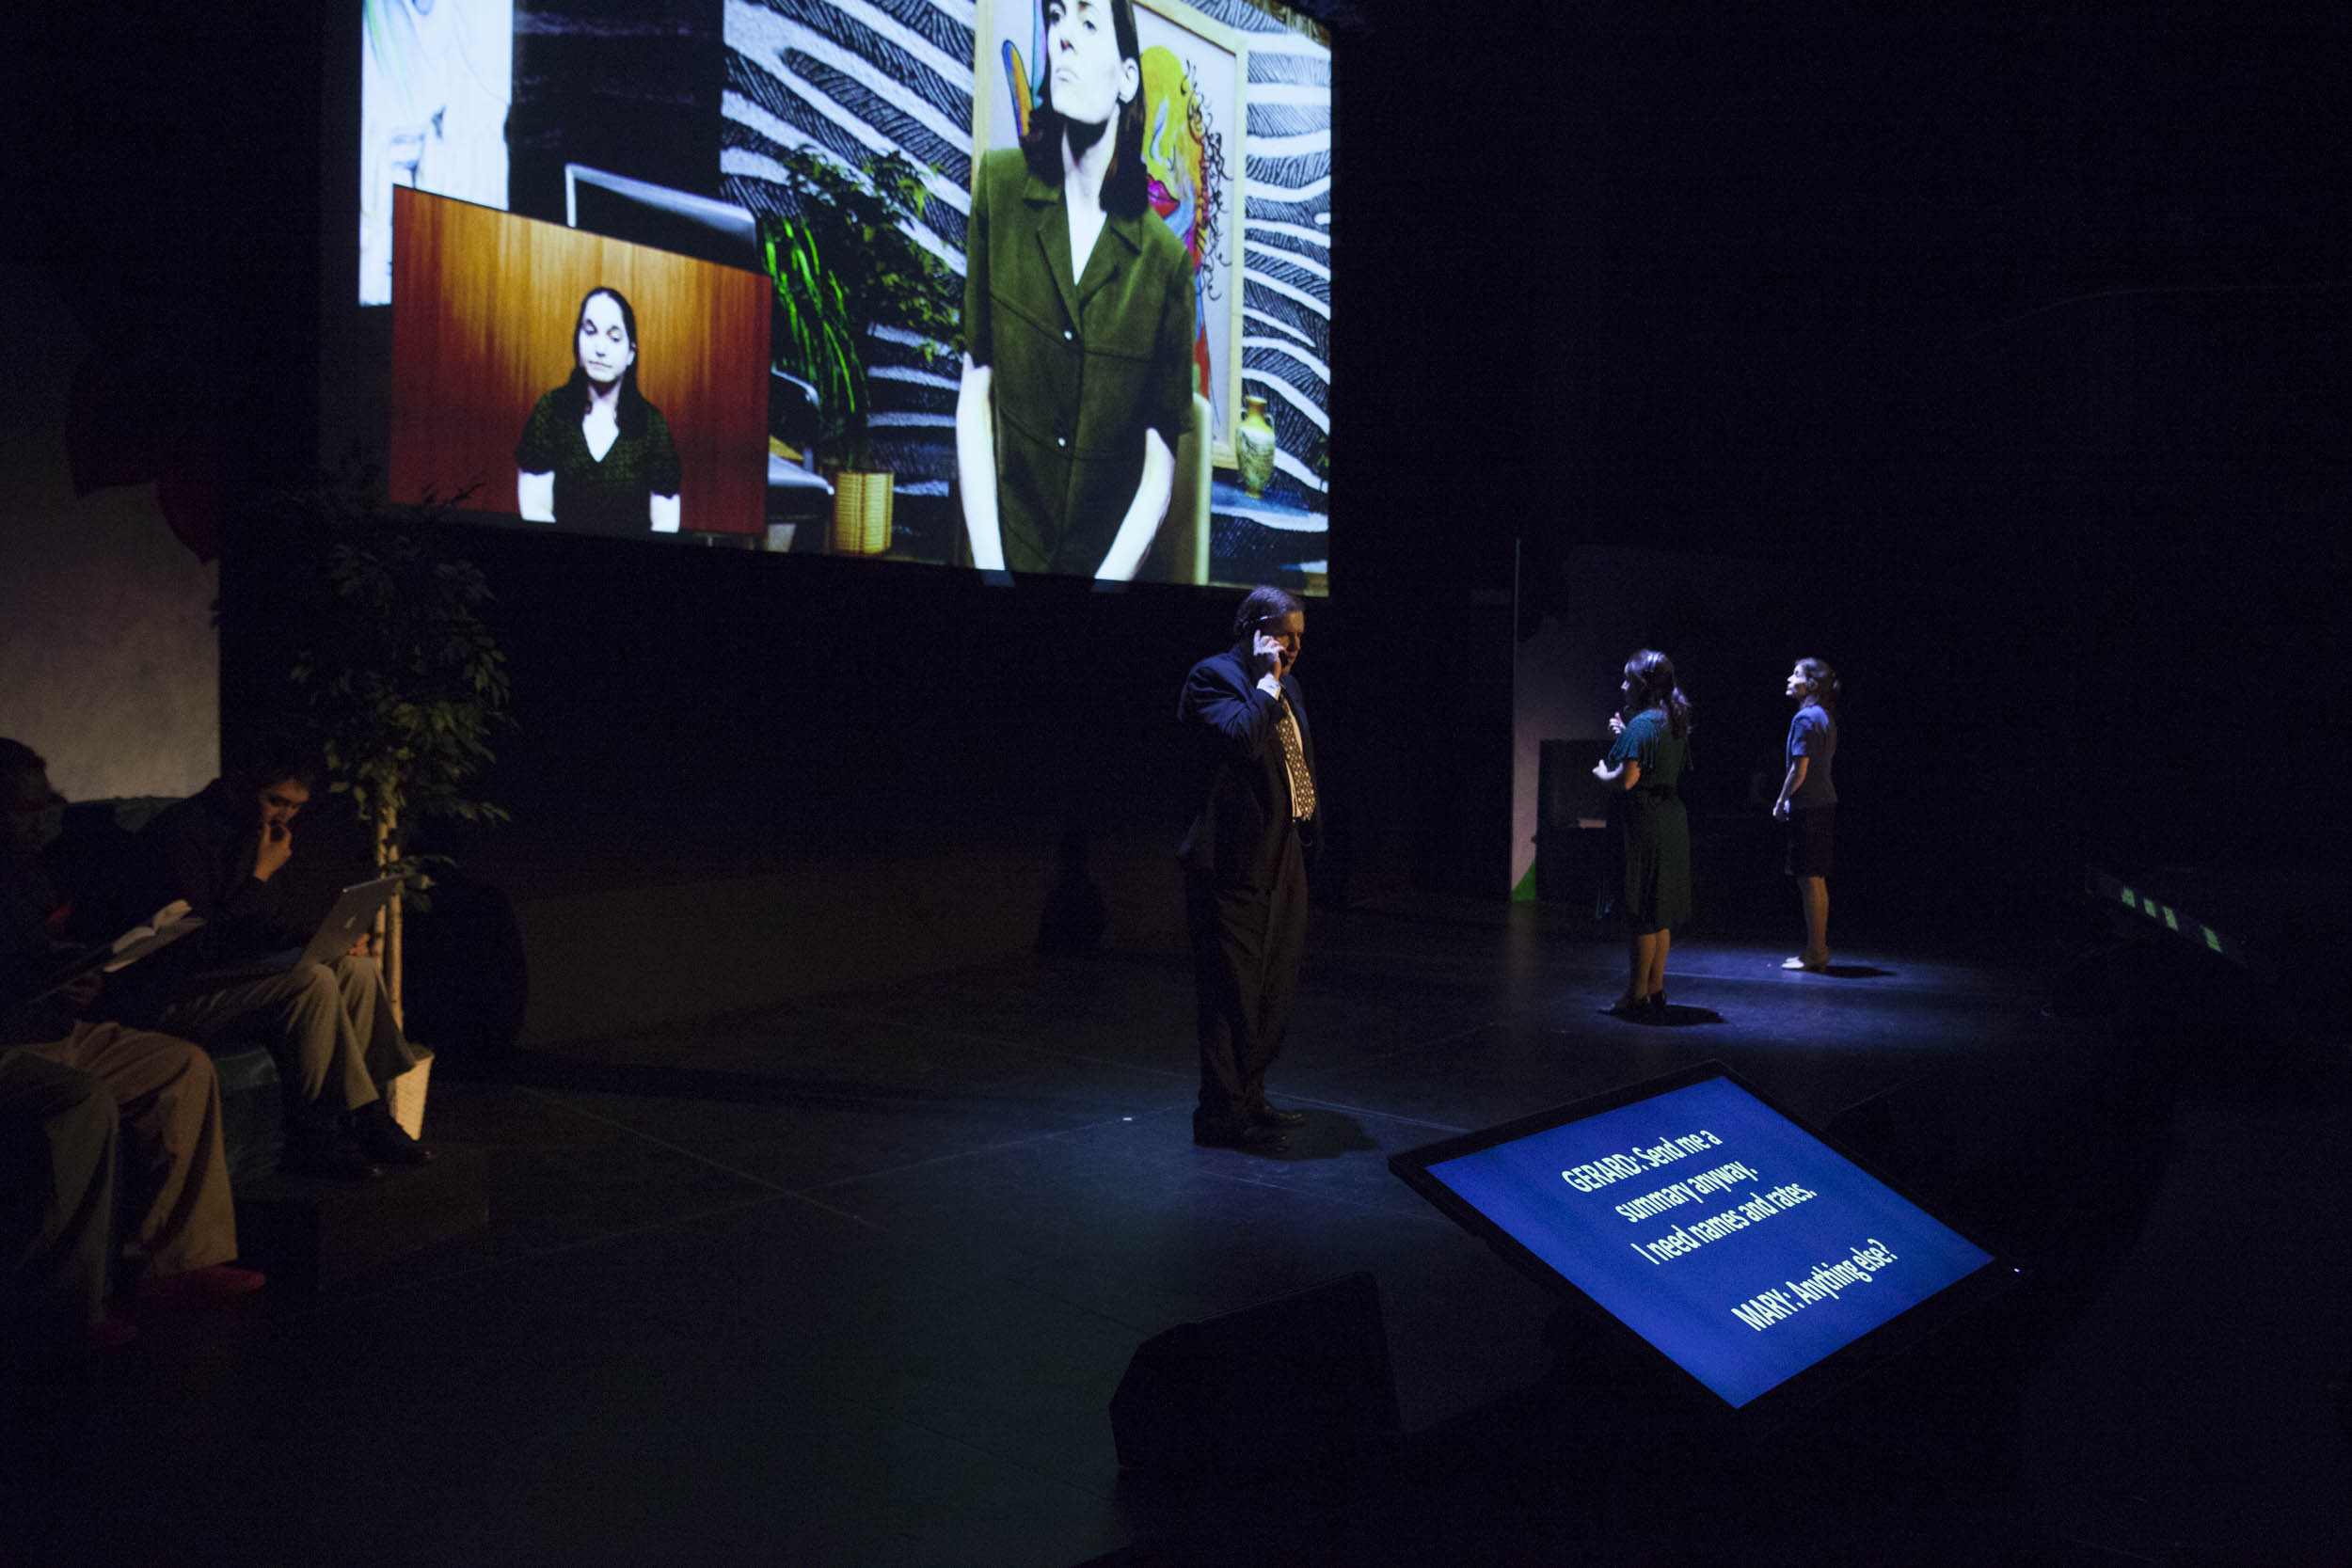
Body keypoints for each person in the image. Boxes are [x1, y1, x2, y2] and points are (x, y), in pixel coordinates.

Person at [2, 739, 261, 1348]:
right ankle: (68, 1304)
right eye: (24, 811)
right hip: (10, 1042)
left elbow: (41, 951)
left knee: (181, 1065)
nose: (40, 825)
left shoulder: (30, 872)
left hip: (53, 1026)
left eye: (44, 810)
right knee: (83, 1101)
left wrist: (77, 972)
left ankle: (178, 1262)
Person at [957, 0, 1197, 580]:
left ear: (1128, 79)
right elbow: (974, 389)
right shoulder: (999, 188)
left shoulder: (1166, 264)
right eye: (1057, 16)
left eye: (1088, 23)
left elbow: (1159, 468)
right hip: (1002, 557)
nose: (1063, 35)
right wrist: (992, 572)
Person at [130, 744, 428, 1180]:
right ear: (243, 785)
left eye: (296, 806)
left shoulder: (260, 829)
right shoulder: (185, 834)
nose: (286, 815)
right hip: (180, 990)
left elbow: (262, 925)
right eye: (277, 801)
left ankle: (370, 1116)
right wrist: (260, 875)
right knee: (312, 981)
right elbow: (196, 946)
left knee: (356, 969)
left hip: (235, 974)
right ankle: (318, 1133)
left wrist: (325, 940)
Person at [1177, 586, 1318, 1151]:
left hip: (1283, 856)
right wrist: (1264, 684)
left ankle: (1251, 1096)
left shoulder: (1288, 686)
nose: (1295, 647)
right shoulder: (1212, 678)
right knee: (1230, 994)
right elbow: (1241, 739)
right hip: (1233, 862)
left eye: (1301, 636)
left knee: (1271, 991)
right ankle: (1221, 1117)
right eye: (1285, 634)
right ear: (1253, 630)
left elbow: (1297, 760)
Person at [516, 286, 682, 536]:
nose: (600, 348)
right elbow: (535, 509)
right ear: (577, 341)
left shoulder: (652, 425)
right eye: (590, 332)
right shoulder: (551, 410)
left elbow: (665, 521)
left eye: (614, 337)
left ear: (630, 353)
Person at [1594, 650, 1692, 1020]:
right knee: (1658, 910)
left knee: (1639, 912)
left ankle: (1635, 993)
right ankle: (1654, 987)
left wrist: (1601, 774)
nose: (1622, 686)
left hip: (1643, 823)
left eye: (1627, 679)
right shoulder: (1672, 718)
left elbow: (1627, 779)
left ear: (1642, 684)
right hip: (1670, 820)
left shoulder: (1640, 725)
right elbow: (1655, 758)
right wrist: (1625, 734)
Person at [1773, 657, 1839, 973]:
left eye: (1796, 674)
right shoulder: (1824, 716)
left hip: (1809, 806)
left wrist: (1780, 801)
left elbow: (1799, 769)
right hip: (1824, 803)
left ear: (1812, 685)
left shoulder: (1804, 719)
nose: (1789, 678)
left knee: (1809, 880)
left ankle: (1815, 952)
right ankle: (1818, 949)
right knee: (1816, 879)